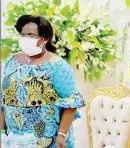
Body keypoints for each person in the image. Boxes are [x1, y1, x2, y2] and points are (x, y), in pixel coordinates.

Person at [0, 15, 85, 148]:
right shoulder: (12, 61)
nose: (25, 38)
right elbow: (3, 100)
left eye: (30, 35)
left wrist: (62, 135)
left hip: (47, 140)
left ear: (45, 39)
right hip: (13, 140)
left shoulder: (57, 66)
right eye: (23, 35)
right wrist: (1, 132)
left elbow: (71, 102)